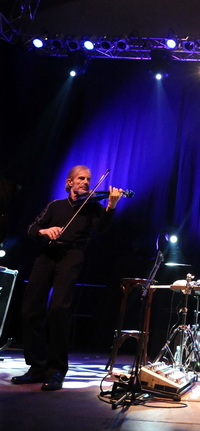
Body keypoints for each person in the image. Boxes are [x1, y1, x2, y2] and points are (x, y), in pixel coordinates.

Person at [12, 166, 123, 391]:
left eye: (88, 179)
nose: (85, 182)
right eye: (80, 178)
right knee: (30, 310)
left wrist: (111, 206)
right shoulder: (55, 205)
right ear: (69, 182)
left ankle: (56, 370)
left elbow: (102, 228)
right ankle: (37, 367)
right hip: (47, 254)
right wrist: (45, 231)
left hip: (72, 255)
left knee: (59, 309)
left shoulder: (92, 208)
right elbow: (32, 228)